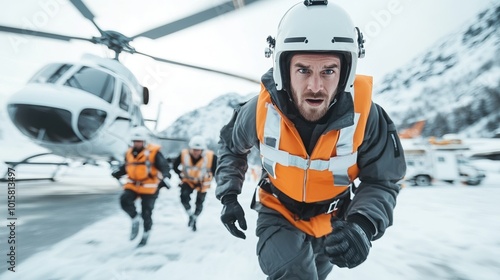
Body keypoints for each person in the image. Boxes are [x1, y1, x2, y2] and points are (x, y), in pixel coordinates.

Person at [215, 1, 406, 279]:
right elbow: (231, 147)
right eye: (303, 70)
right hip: (277, 213)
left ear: (345, 74)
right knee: (295, 274)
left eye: (328, 71)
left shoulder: (368, 118)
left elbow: (383, 179)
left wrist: (362, 225)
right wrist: (229, 195)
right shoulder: (258, 111)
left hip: (334, 223)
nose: (315, 87)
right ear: (284, 70)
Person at [112, 126, 172, 247]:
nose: (137, 143)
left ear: (144, 141)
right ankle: (134, 218)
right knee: (124, 200)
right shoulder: (129, 152)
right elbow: (127, 167)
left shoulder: (154, 153)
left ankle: (146, 234)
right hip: (133, 185)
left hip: (150, 187)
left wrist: (166, 177)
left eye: (139, 141)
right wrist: (118, 172)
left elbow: (164, 166)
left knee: (147, 212)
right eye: (134, 141)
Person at [172, 135, 217, 231]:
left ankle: (195, 218)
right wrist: (180, 175)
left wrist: (217, 181)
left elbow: (217, 171)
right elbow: (175, 166)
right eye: (194, 149)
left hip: (202, 183)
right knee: (183, 197)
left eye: (198, 150)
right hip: (188, 181)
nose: (195, 152)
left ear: (203, 150)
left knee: (199, 203)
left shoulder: (211, 157)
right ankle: (190, 215)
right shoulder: (184, 154)